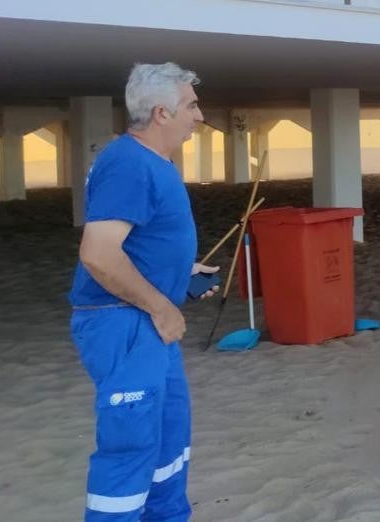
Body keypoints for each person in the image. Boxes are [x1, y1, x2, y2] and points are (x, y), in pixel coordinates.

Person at [69, 63, 219, 521]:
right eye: (191, 105)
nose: (199, 114)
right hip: (126, 322)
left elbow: (136, 240)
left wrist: (180, 270)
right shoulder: (129, 163)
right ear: (161, 112)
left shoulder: (153, 163)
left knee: (168, 442)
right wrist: (160, 305)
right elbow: (98, 253)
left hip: (148, 324)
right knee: (130, 450)